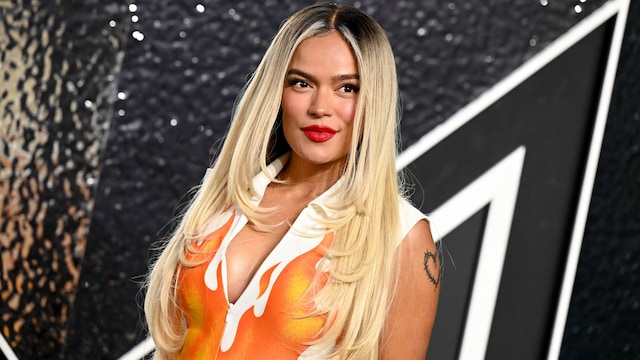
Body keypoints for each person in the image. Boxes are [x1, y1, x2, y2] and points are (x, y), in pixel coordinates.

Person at [144, 2, 440, 359]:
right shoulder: (223, 197)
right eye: (302, 83)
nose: (320, 107)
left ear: (374, 100)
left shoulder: (402, 236)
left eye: (347, 88)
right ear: (278, 92)